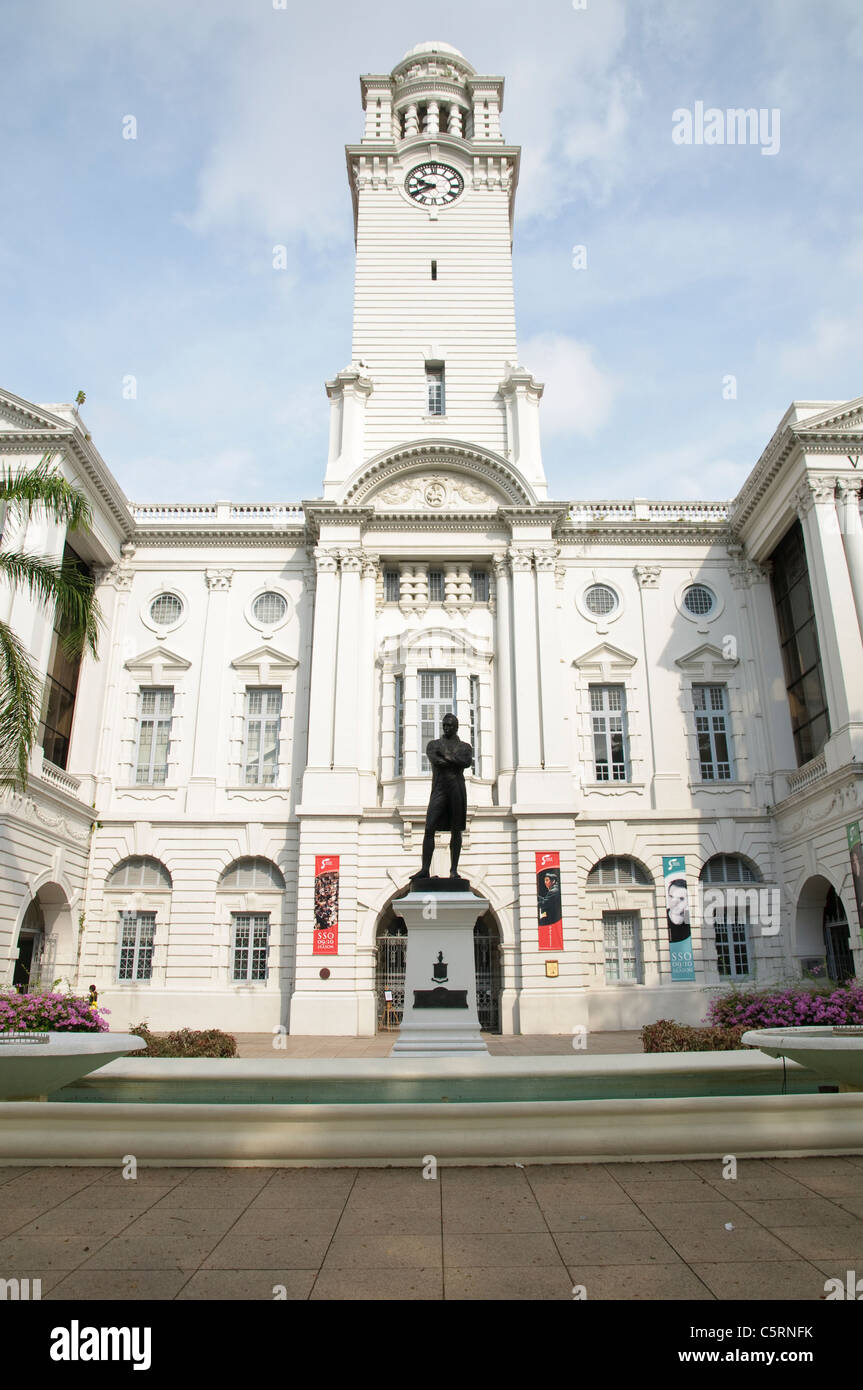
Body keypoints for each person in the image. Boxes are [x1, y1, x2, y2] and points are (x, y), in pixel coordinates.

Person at [412, 712, 472, 880]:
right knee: (429, 827)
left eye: (449, 725)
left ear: (456, 727)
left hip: (457, 788)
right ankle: (425, 868)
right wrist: (454, 760)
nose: (446, 728)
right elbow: (436, 760)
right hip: (439, 788)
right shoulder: (434, 744)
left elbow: (466, 762)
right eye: (444, 725)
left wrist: (447, 757)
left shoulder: (465, 747)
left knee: (457, 830)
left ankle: (454, 869)